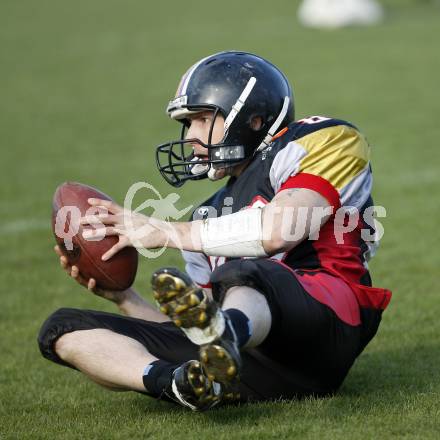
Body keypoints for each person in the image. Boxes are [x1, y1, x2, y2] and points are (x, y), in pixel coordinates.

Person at [38, 51, 391, 411]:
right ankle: (179, 384)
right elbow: (196, 326)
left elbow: (278, 231)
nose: (190, 136)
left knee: (243, 270)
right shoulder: (207, 215)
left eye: (201, 119)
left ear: (252, 119)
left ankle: (229, 334)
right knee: (63, 328)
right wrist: (125, 299)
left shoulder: (324, 140)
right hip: (253, 364)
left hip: (328, 329)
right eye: (187, 124)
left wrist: (166, 231)